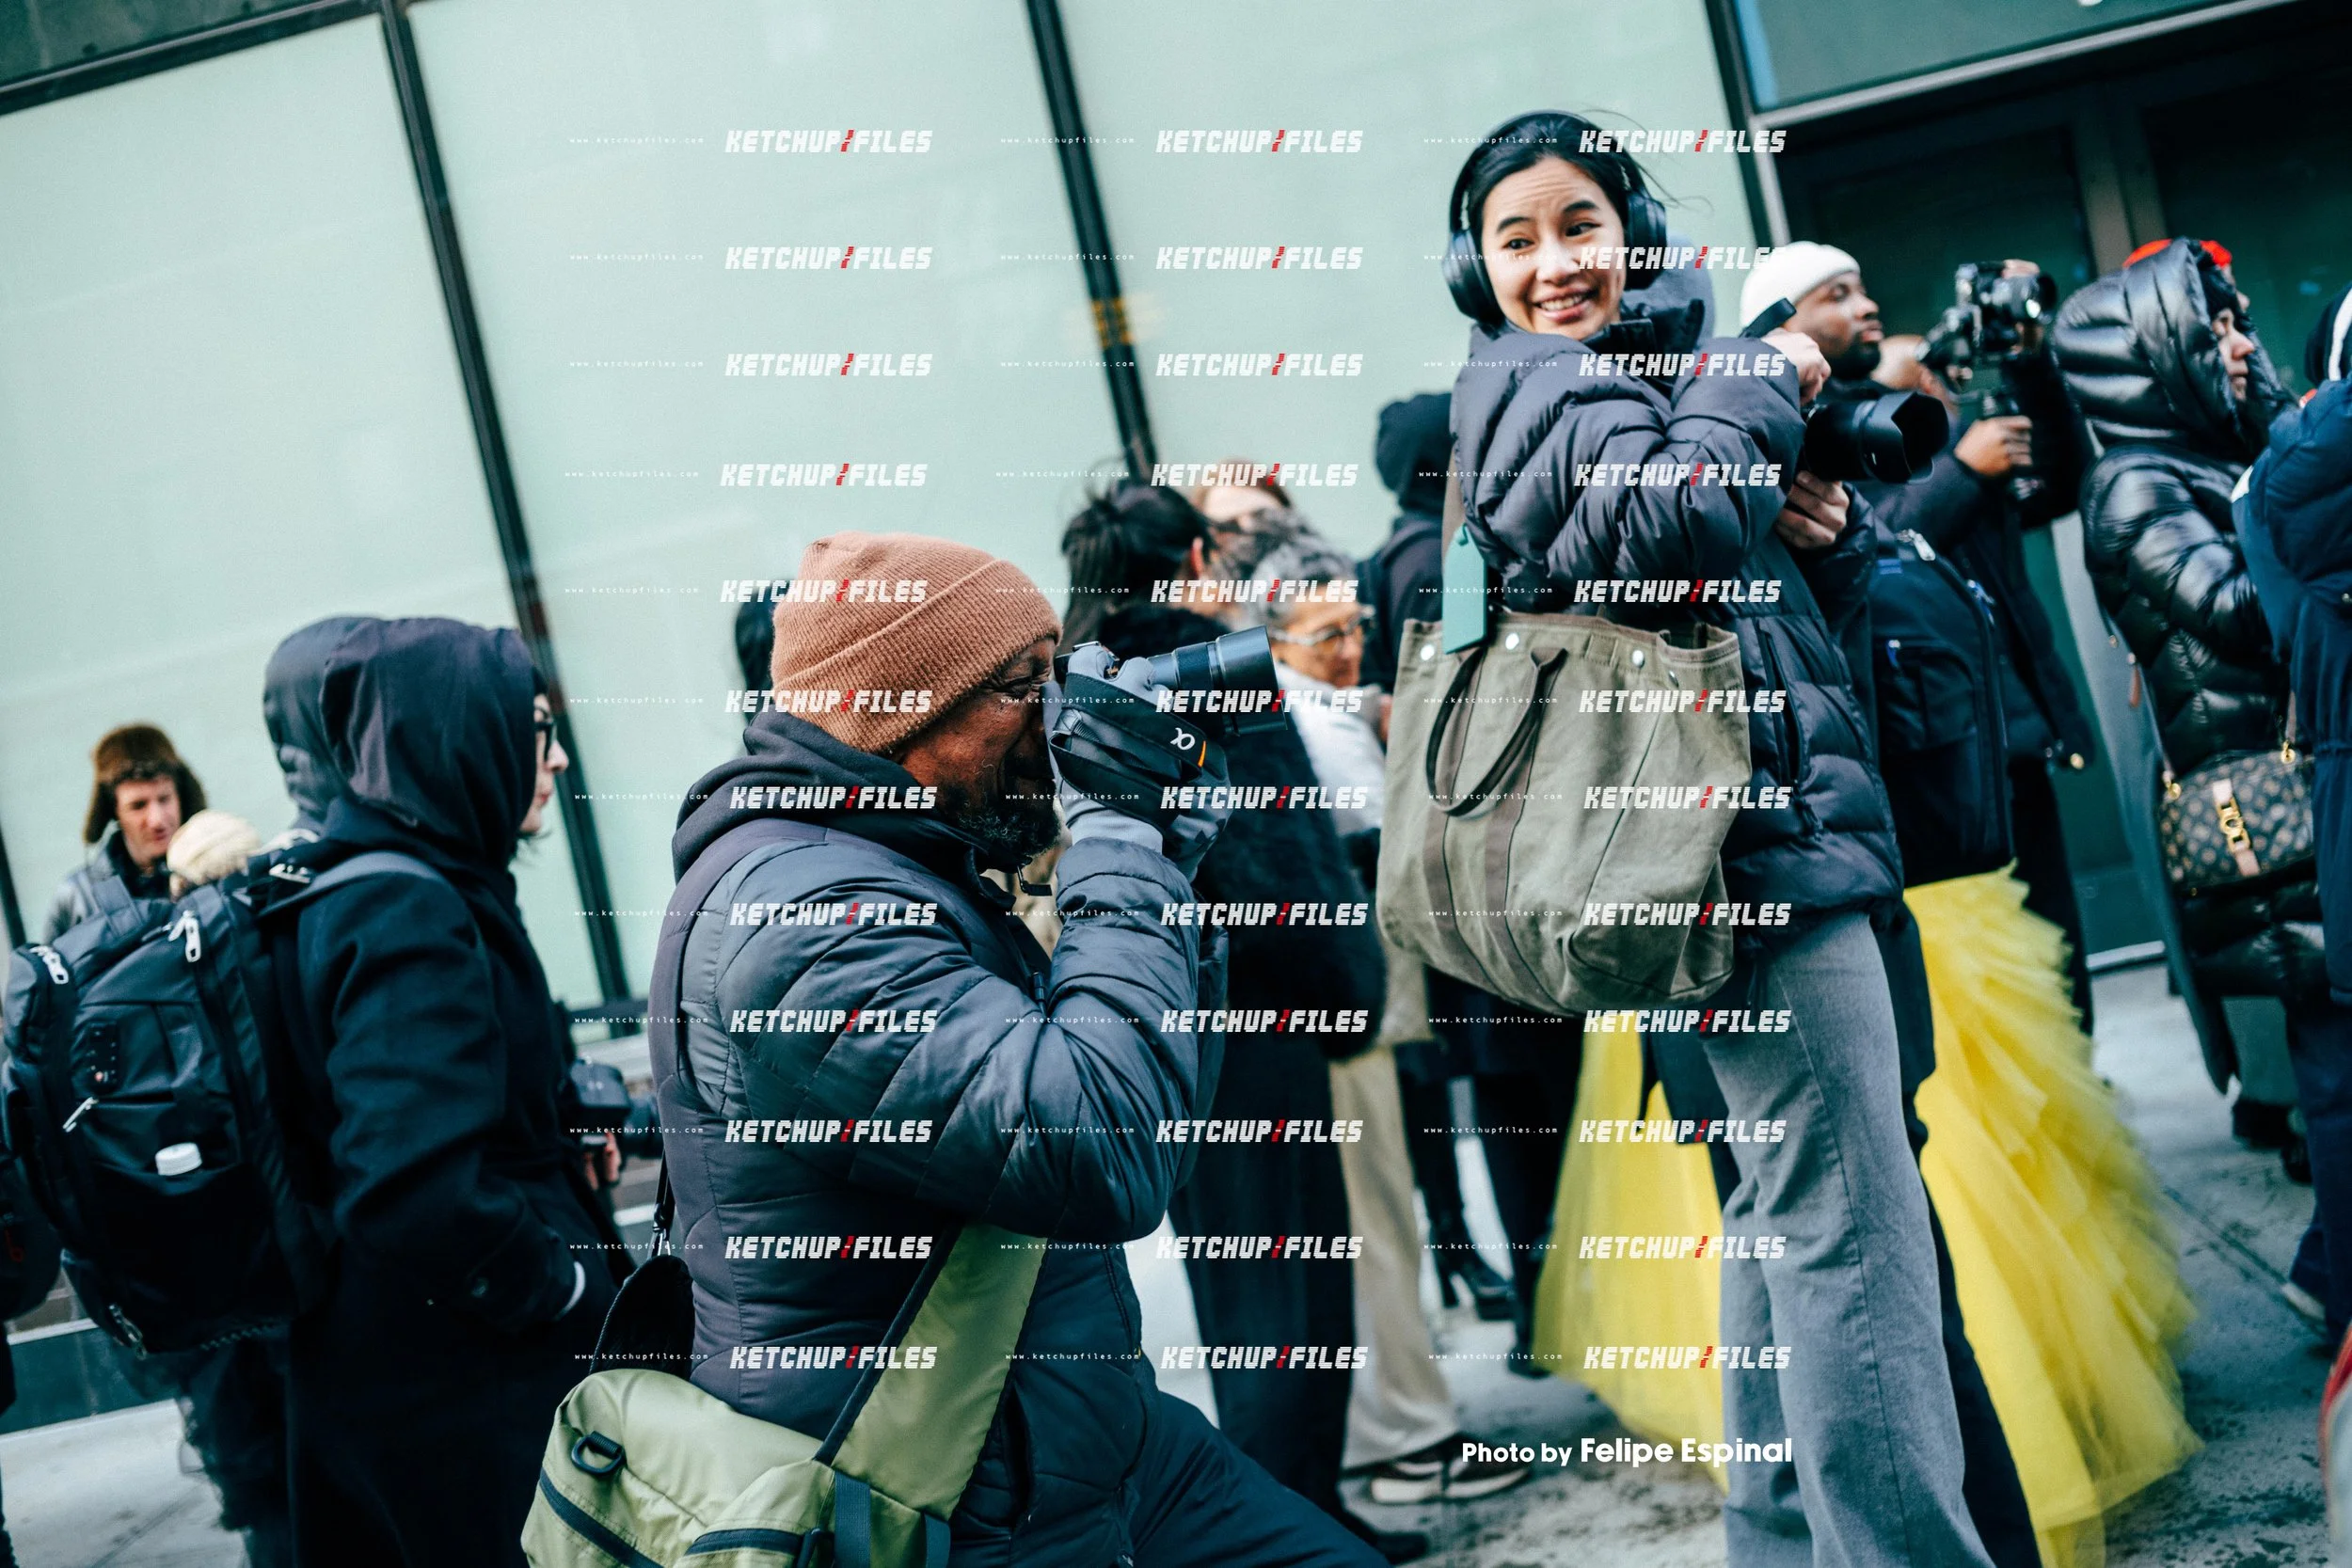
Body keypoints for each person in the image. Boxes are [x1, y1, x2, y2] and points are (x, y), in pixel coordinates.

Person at [1443, 110, 1992, 1567]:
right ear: (1474, 271)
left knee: (1779, 1222)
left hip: (1763, 844)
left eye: (1580, 225)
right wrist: (1759, 373)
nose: (1555, 263)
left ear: (1634, 232)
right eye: (1516, 239)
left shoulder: (1660, 379)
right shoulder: (1529, 379)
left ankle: (1780, 1543)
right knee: (1854, 1248)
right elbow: (1669, 521)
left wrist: (1823, 528)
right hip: (1745, 862)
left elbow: (1755, 579)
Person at [664, 530, 1385, 1568]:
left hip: (1071, 1433)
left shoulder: (907, 861)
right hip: (929, 1492)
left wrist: (1169, 867)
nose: (1057, 723)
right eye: (1022, 687)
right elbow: (1094, 1151)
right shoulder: (801, 917)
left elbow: (1152, 1123)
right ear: (902, 712)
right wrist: (1118, 849)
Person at [1060, 494, 1424, 1561]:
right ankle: (1294, 1519)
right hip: (1261, 1007)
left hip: (1148, 1016)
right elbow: (1281, 845)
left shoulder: (1079, 673)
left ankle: (1297, 1510)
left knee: (1242, 1280)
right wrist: (1340, 971)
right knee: (1294, 1279)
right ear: (1190, 555)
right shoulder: (1207, 664)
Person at [278, 616, 628, 1567]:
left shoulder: (413, 881)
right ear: (460, 740)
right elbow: (409, 1180)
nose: (552, 761)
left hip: (422, 1375)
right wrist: (551, 1281)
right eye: (537, 731)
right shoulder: (404, 905)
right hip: (460, 1393)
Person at [1246, 528, 1531, 1509]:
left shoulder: (1325, 711)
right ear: (1275, 635)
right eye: (1325, 632)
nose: (1348, 645)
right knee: (1371, 1219)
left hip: (1363, 997)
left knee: (1380, 1216)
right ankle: (1404, 1440)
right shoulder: (1298, 722)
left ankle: (1400, 1430)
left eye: (1355, 625)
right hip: (1339, 1006)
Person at [1748, 244, 2101, 1030]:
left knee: (2062, 972)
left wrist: (2033, 365)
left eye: (1862, 287)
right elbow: (1863, 551)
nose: (1865, 305)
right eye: (1836, 294)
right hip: (1919, 751)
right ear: (1784, 325)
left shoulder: (1916, 415)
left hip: (2010, 730)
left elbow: (2060, 482)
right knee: (1980, 1007)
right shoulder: (1795, 434)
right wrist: (1964, 473)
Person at [2054, 239, 2326, 1197]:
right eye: (2213, 329)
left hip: (2305, 783)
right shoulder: (2134, 484)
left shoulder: (2217, 452)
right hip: (2274, 807)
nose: (2241, 344)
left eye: (2237, 321)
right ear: (2154, 354)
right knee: (2331, 1078)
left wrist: (2269, 427)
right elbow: (2253, 614)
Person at [1358, 390, 1570, 1359]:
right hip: (1508, 880)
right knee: (1542, 1105)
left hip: (1449, 884)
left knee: (1501, 1104)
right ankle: (1557, 1307)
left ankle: (1538, 1306)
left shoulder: (1380, 565)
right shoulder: (1455, 560)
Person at [2237, 325, 2352, 1346]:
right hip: (2297, 802)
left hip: (2320, 800)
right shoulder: (2291, 480)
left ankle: (2328, 1270)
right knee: (2335, 1079)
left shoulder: (2273, 469)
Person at [42, 722, 204, 939]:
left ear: (180, 797)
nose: (156, 820)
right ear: (114, 812)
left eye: (164, 799)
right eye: (138, 806)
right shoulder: (77, 898)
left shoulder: (212, 873)